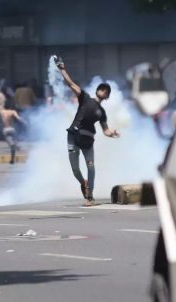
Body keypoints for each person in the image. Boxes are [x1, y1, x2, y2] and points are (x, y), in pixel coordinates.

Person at [55, 55, 120, 206]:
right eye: (102, 89)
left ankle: (89, 196)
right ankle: (83, 183)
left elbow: (106, 130)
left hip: (88, 141)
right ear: (97, 90)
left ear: (107, 97)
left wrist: (113, 134)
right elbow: (70, 83)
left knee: (91, 167)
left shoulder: (102, 112)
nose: (103, 91)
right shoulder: (85, 98)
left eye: (106, 91)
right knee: (75, 170)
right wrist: (62, 69)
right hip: (73, 135)